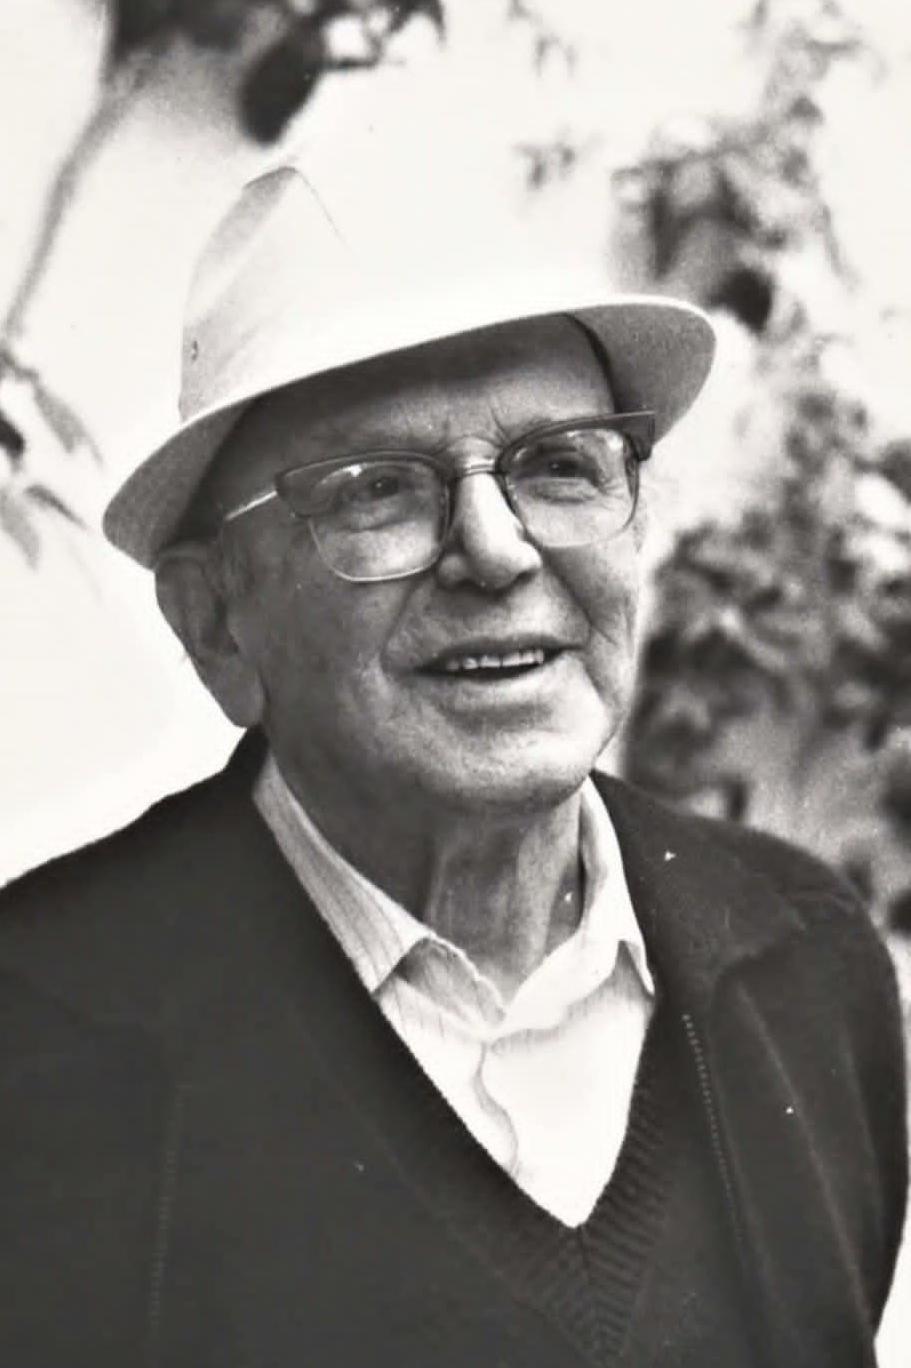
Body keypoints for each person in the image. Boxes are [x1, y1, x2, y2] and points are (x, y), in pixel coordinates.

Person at [0, 167, 905, 1368]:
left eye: (558, 466)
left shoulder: (803, 961)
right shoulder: (38, 1036)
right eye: (376, 490)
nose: (495, 547)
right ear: (216, 621)